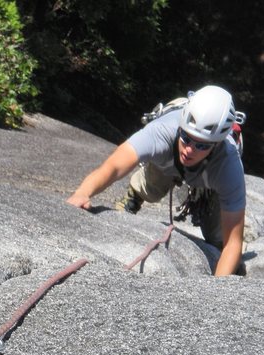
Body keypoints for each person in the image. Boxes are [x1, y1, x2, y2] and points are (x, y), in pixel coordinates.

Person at [67, 85, 246, 276]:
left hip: (210, 175)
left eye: (201, 145)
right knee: (154, 184)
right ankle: (135, 196)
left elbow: (233, 242)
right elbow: (113, 166)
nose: (190, 149)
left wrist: (217, 291)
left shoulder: (228, 164)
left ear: (217, 144)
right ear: (181, 128)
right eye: (186, 138)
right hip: (168, 159)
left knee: (216, 237)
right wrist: (82, 193)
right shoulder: (162, 131)